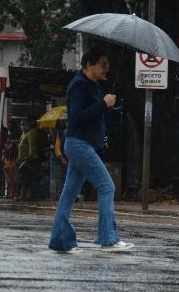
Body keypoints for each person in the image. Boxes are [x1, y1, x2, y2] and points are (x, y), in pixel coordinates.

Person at [49, 46, 134, 253]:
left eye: (108, 65)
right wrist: (103, 104)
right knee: (107, 187)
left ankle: (60, 240)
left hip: (81, 144)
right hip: (79, 144)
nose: (106, 69)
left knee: (69, 194)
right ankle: (108, 238)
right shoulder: (79, 85)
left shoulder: (94, 85)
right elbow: (77, 117)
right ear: (89, 65)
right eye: (103, 65)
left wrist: (110, 107)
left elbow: (97, 116)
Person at [15, 117, 41, 200]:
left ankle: (29, 195)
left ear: (28, 125)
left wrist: (28, 157)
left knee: (28, 178)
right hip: (22, 160)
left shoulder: (31, 133)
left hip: (28, 160)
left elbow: (32, 148)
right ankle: (23, 195)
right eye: (21, 125)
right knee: (23, 179)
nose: (22, 126)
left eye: (23, 124)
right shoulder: (24, 134)